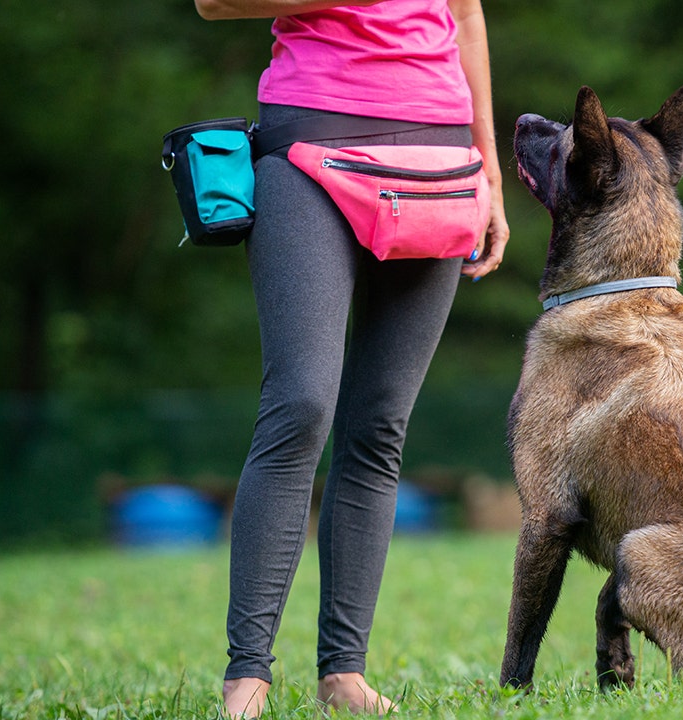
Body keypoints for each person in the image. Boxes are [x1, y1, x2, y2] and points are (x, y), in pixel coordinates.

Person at [190, 0, 510, 716]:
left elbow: (465, 14)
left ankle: (344, 674)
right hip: (311, 139)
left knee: (378, 425)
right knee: (301, 404)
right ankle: (247, 676)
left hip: (437, 155)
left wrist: (489, 170)